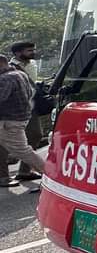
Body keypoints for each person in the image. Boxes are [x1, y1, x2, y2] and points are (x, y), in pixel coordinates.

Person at [0, 53, 43, 191]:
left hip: (9, 121)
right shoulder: (20, 74)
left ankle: (52, 174)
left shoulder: (5, 79)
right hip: (20, 119)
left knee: (23, 151)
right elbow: (31, 93)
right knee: (22, 150)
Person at [10, 41, 45, 183]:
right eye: (29, 51)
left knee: (35, 135)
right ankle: (4, 174)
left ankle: (24, 171)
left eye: (33, 50)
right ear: (18, 53)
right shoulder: (9, 67)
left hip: (31, 107)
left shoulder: (32, 64)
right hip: (14, 111)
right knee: (7, 141)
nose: (33, 52)